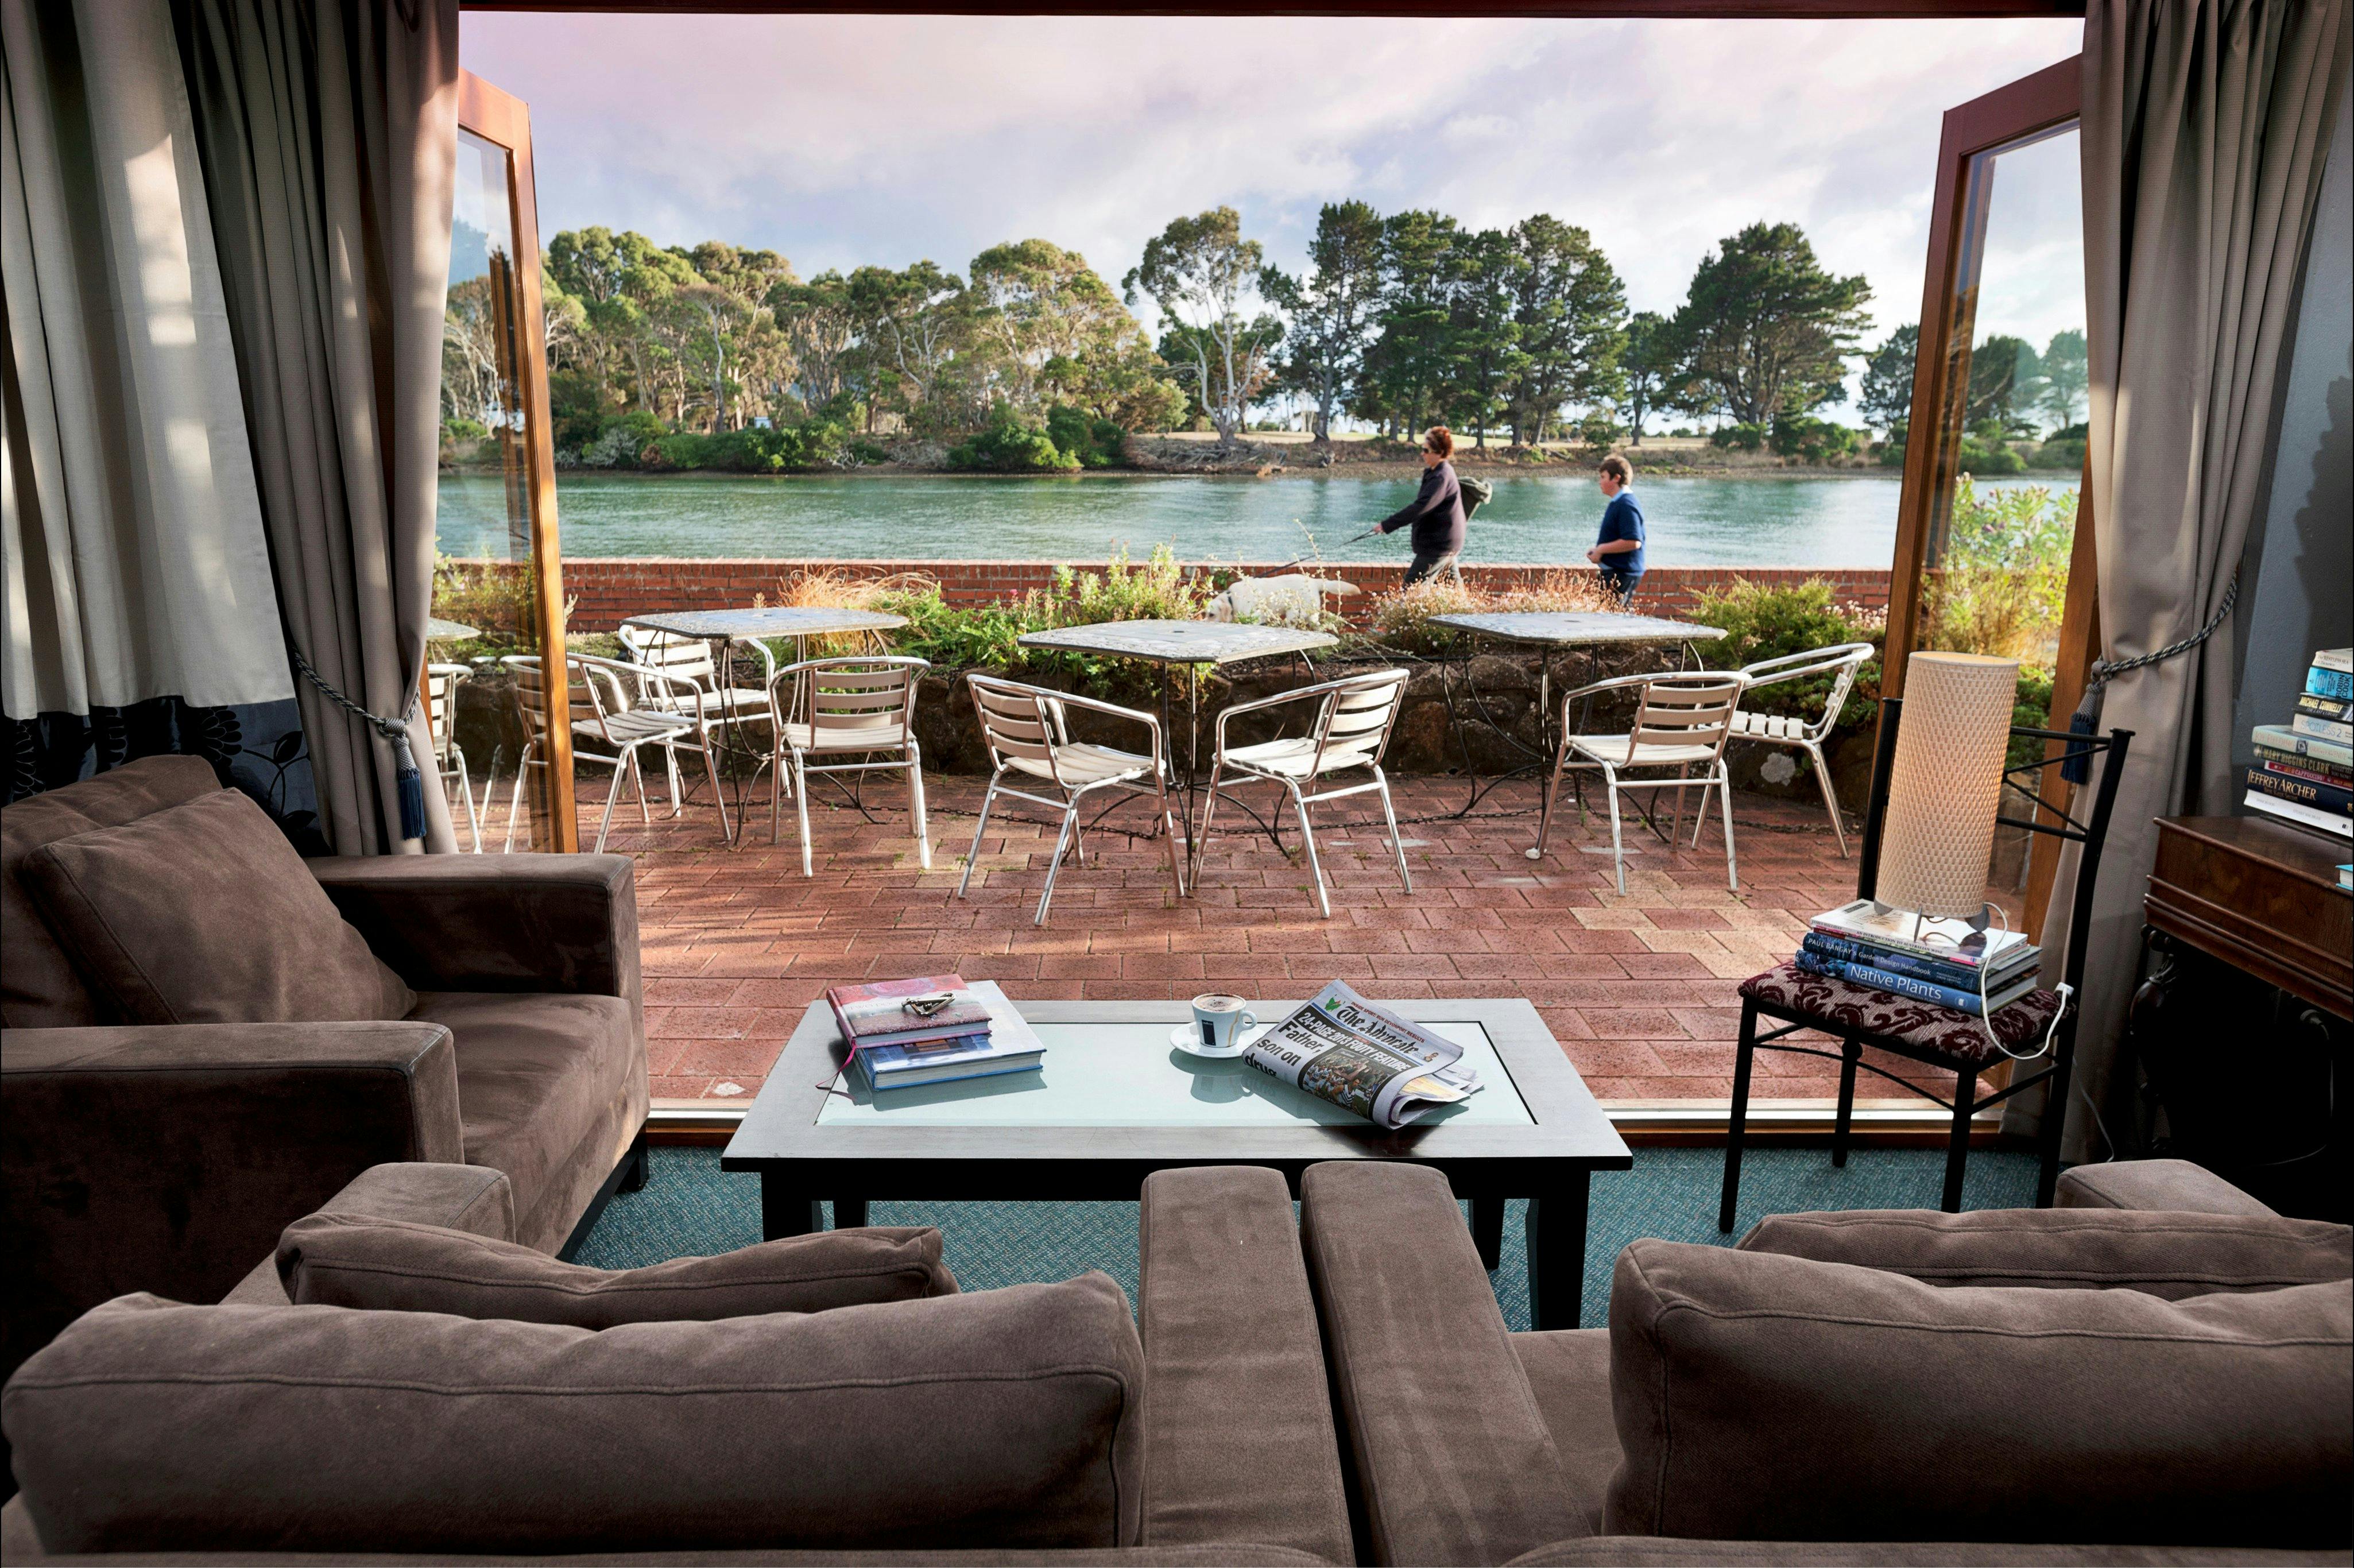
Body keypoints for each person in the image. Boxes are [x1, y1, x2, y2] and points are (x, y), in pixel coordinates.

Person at [1376, 426, 1467, 587]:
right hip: (1447, 541)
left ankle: (1401, 612)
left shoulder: (1441, 476)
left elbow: (1421, 507)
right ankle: (1467, 612)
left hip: (1438, 544)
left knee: (1411, 588)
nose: (1422, 453)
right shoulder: (1437, 472)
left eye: (1426, 450)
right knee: (1452, 588)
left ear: (1439, 452)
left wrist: (1387, 525)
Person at [1588, 452, 1644, 604]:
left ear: (1616, 478)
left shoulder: (1626, 504)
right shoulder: (1619, 502)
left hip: (1621, 574)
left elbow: (1633, 541)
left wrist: (1601, 550)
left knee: (1614, 622)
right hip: (1617, 573)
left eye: (1603, 477)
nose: (1600, 482)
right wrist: (1599, 549)